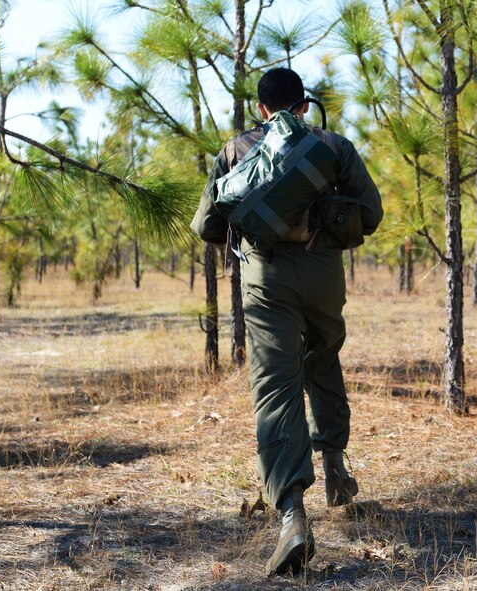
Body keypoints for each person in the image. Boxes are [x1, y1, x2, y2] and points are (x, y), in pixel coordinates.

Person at [190, 68, 383, 576]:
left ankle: (293, 516)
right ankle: (336, 465)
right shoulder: (333, 145)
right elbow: (372, 212)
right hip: (322, 274)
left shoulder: (236, 148)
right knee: (322, 360)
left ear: (261, 109)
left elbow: (207, 224)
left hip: (265, 278)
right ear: (303, 105)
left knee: (276, 385)